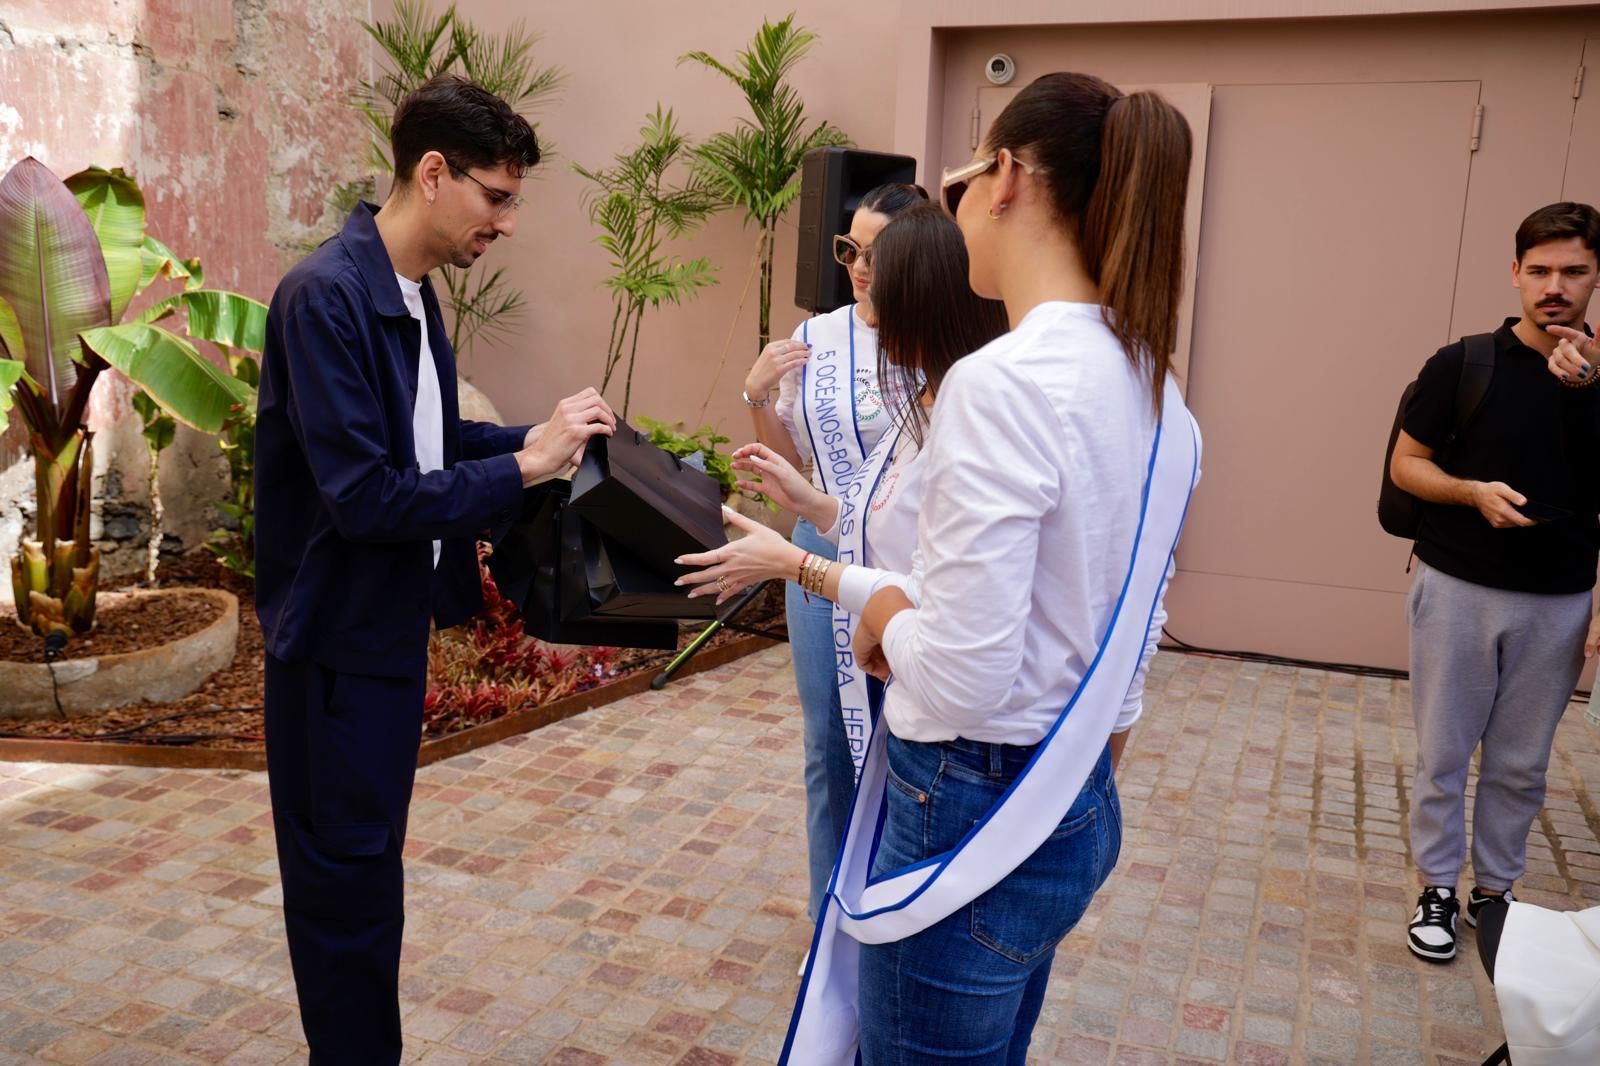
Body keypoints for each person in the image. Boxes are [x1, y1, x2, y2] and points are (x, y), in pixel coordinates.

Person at [253, 74, 615, 1062]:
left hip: (381, 641)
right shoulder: (323, 299)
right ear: (431, 171)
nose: (504, 221)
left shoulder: (407, 292)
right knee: (347, 904)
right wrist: (522, 467)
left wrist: (534, 440)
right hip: (332, 653)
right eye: (495, 197)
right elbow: (366, 497)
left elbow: (430, 439)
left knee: (366, 889)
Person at [1389, 201, 1600, 964]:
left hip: (1562, 601)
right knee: (1444, 754)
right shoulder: (1463, 364)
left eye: (1573, 270)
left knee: (1520, 764)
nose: (1554, 286)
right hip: (1458, 588)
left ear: (1595, 276)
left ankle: (1496, 892)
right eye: (1539, 269)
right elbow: (1406, 466)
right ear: (1515, 273)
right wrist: (1472, 492)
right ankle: (1438, 887)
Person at [740, 182, 926, 923]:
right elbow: (792, 469)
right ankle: (830, 925)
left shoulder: (941, 345)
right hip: (816, 549)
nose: (859, 266)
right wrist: (757, 395)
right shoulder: (816, 337)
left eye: (877, 254)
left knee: (905, 733)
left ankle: (892, 908)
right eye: (850, 249)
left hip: (903, 560)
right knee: (828, 745)